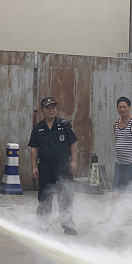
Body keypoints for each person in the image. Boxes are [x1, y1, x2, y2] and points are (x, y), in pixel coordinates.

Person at [29, 97, 78, 235]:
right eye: (48, 108)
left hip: (63, 167)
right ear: (42, 110)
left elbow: (73, 143)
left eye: (54, 107)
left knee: (66, 197)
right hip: (45, 167)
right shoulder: (38, 129)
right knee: (45, 197)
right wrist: (34, 167)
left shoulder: (65, 125)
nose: (51, 110)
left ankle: (68, 225)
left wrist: (74, 161)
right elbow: (34, 149)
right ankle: (43, 226)